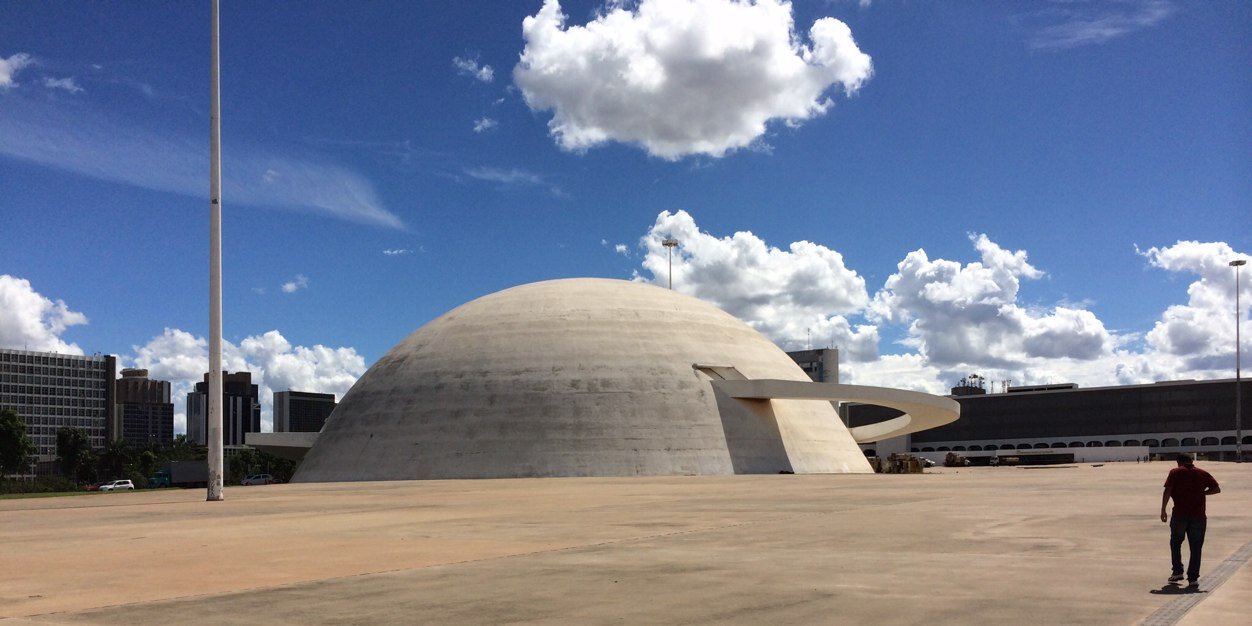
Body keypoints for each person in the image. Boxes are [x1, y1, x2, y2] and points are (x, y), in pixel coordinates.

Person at [1160, 453, 1220, 587]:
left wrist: (1163, 509)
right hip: (1198, 516)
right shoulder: (1202, 473)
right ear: (1191, 461)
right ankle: (1193, 578)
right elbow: (1216, 489)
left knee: (1176, 543)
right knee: (1196, 547)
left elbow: (1168, 490)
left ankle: (1177, 572)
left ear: (1178, 462)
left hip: (1180, 515)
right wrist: (1202, 493)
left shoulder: (1175, 472)